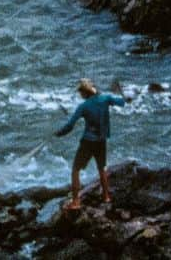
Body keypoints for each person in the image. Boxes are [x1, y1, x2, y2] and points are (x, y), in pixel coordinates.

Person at [54, 78, 126, 211]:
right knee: (102, 168)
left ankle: (76, 201)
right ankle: (106, 196)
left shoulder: (84, 106)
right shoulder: (106, 99)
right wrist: (121, 91)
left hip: (88, 142)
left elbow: (70, 126)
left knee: (76, 169)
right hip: (101, 140)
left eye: (81, 92)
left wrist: (58, 133)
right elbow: (122, 102)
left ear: (85, 92)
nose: (80, 95)